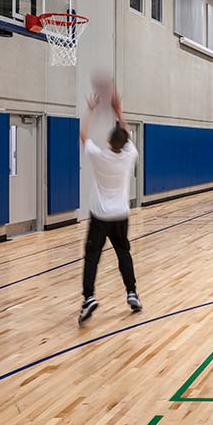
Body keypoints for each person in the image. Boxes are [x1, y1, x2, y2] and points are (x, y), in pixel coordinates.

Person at [77, 80, 141, 325]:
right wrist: (118, 109)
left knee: (92, 257)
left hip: (100, 217)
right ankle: (132, 292)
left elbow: (83, 134)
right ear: (125, 143)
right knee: (124, 254)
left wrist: (91, 109)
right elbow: (123, 131)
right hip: (121, 216)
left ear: (108, 142)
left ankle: (89, 298)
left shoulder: (99, 156)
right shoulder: (129, 156)